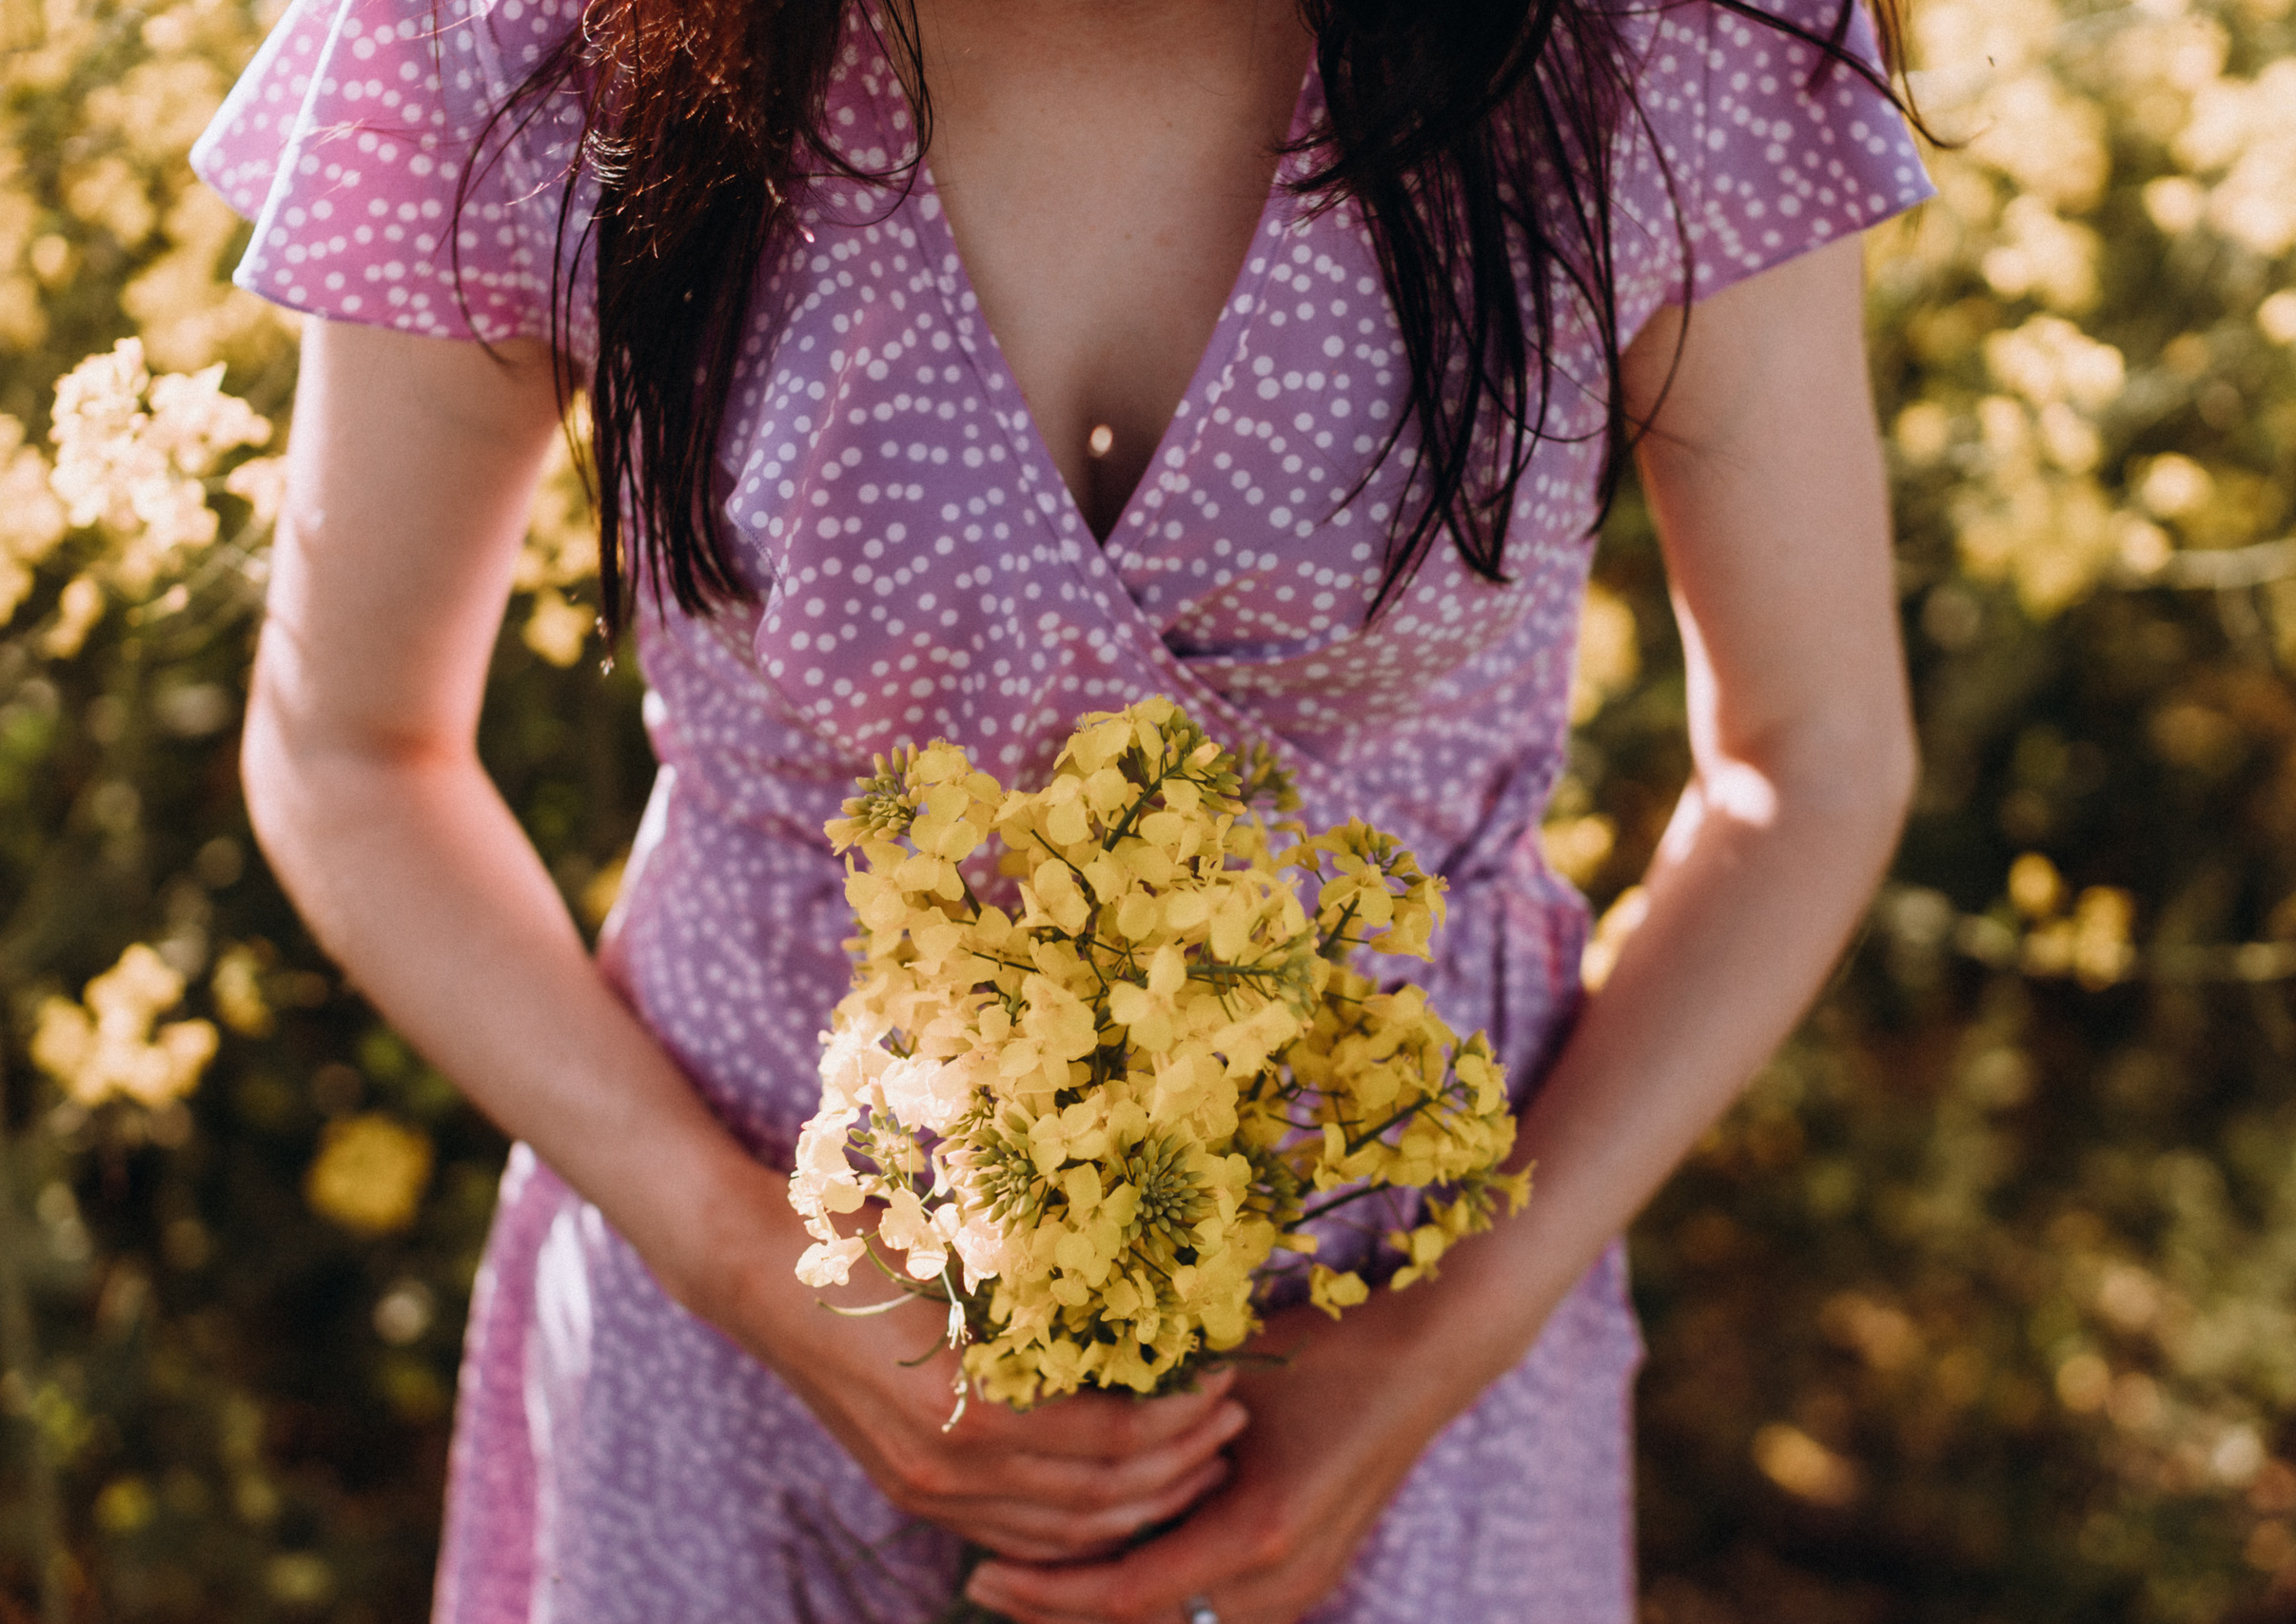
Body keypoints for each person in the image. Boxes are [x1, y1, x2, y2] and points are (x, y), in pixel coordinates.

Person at [192, 0, 1931, 1615]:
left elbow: (1811, 758)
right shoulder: (529, 34)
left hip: (1405, 1343)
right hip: (726, 1329)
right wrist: (757, 1277)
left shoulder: (1653, 35)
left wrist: (1425, 1353)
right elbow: (352, 751)